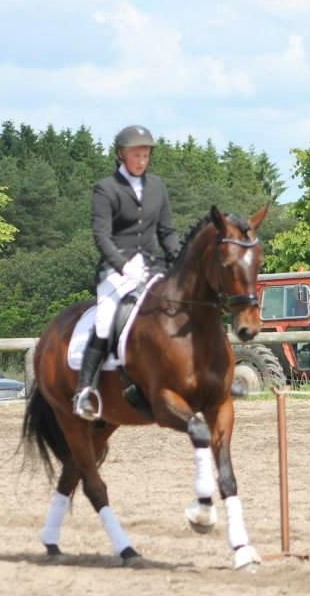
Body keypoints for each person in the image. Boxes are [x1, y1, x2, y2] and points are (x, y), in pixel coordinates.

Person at [73, 125, 180, 421]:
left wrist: (179, 257)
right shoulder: (106, 189)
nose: (141, 160)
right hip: (116, 270)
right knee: (107, 322)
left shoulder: (157, 186)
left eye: (145, 155)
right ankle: (84, 390)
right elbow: (101, 236)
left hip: (152, 266)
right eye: (136, 154)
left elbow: (167, 231)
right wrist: (121, 266)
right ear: (121, 154)